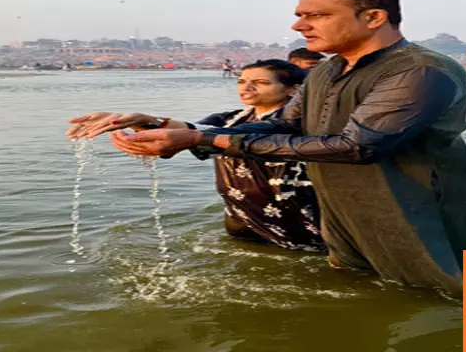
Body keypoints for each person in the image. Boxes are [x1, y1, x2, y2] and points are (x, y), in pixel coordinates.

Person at [106, 0, 466, 296]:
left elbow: (358, 146)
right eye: (300, 16)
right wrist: (181, 128)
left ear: (374, 17)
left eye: (316, 15)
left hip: (414, 203)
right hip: (341, 203)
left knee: (452, 290)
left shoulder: (420, 71)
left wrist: (206, 141)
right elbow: (286, 124)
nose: (299, 27)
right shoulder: (326, 71)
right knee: (363, 291)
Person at [66, 60, 325, 252]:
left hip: (298, 215)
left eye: (260, 83)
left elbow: (218, 135)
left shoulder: (306, 122)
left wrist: (159, 125)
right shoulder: (231, 118)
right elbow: (191, 130)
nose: (246, 88)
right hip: (242, 216)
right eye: (241, 81)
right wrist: (136, 121)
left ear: (293, 90)